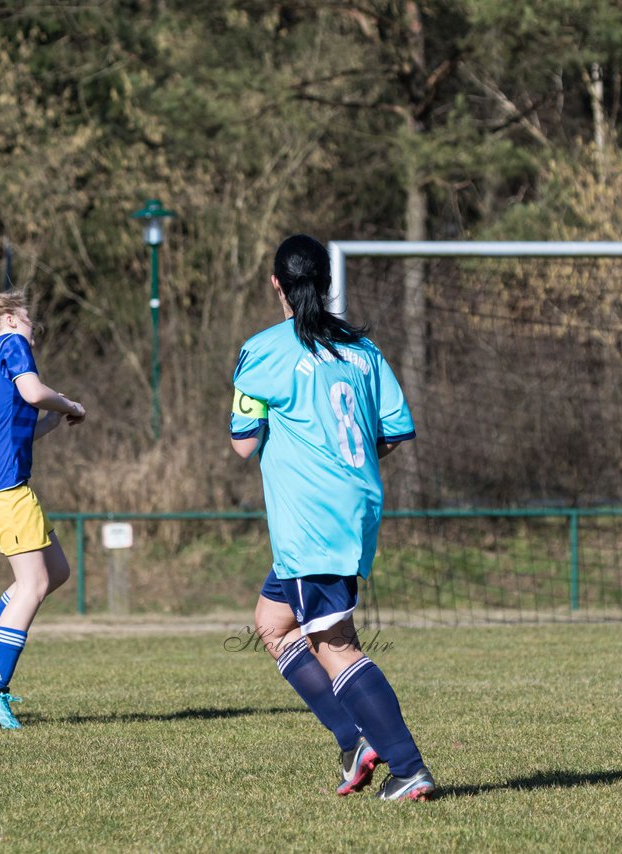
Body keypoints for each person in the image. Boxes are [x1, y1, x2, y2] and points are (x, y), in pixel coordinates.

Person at [229, 233, 435, 801]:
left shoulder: (264, 349)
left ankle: (406, 764)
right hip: (355, 510)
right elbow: (393, 432)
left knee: (336, 642)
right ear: (324, 282)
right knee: (273, 624)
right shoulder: (364, 350)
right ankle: (355, 741)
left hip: (309, 520)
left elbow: (243, 443)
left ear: (277, 284)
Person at [0, 291, 85, 730]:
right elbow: (33, 391)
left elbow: (5, 426)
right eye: (27, 317)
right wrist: (66, 403)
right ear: (8, 318)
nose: (31, 326)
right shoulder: (11, 344)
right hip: (5, 487)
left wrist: (53, 419)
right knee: (35, 583)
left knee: (55, 571)